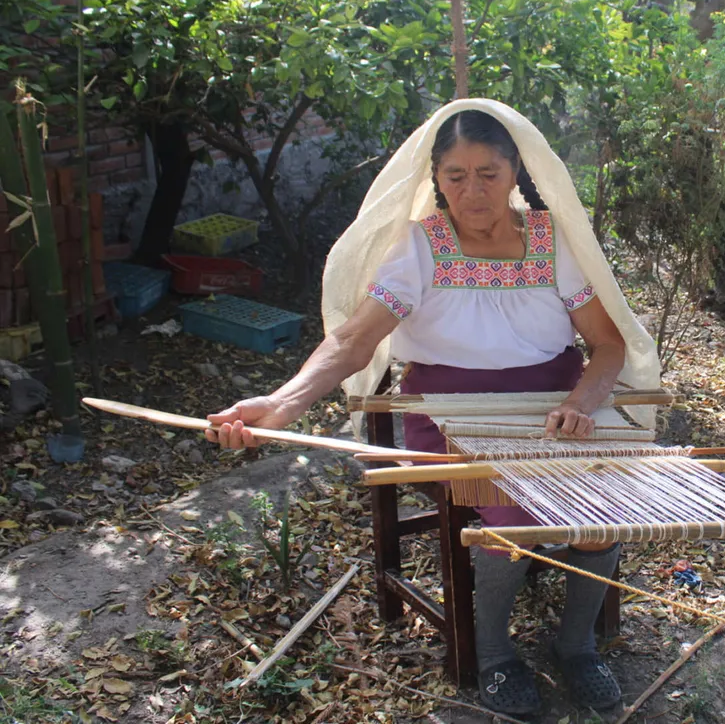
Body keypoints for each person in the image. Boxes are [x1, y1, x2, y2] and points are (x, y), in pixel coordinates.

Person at [205, 102, 661, 716]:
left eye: (488, 174)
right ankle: (495, 653)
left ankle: (576, 646)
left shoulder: (552, 240)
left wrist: (581, 401)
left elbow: (606, 346)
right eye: (455, 176)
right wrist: (283, 403)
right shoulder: (422, 246)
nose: (472, 191)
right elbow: (353, 340)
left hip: (552, 409)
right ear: (437, 178)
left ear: (515, 170)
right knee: (511, 510)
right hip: (449, 413)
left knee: (603, 509)